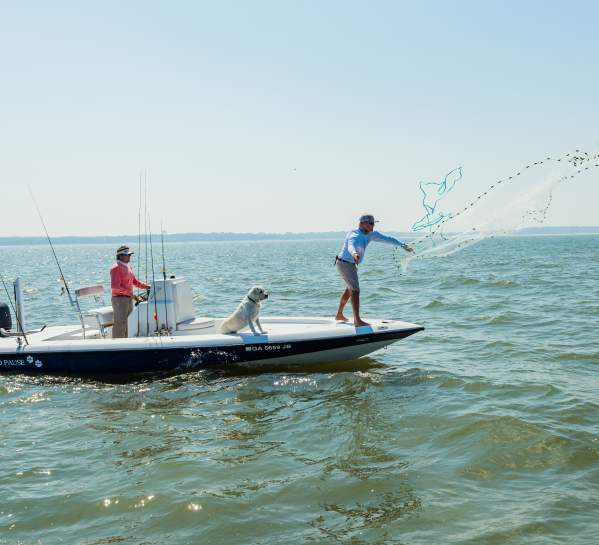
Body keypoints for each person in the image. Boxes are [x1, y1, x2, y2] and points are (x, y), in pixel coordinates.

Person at [335, 214, 414, 327]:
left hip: (349, 264)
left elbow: (388, 239)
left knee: (349, 289)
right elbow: (351, 246)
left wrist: (403, 245)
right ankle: (357, 321)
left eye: (374, 223)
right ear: (363, 223)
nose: (373, 225)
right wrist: (354, 254)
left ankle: (339, 314)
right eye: (371, 223)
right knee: (355, 290)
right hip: (345, 263)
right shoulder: (354, 234)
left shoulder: (371, 234)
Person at [110, 245, 150, 338]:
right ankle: (116, 346)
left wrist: (147, 286)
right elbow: (115, 287)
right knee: (120, 325)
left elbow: (134, 281)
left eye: (130, 255)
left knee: (128, 324)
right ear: (120, 256)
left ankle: (126, 344)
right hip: (119, 300)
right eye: (127, 255)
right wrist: (132, 295)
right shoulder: (115, 267)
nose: (129, 256)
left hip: (128, 299)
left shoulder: (128, 266)